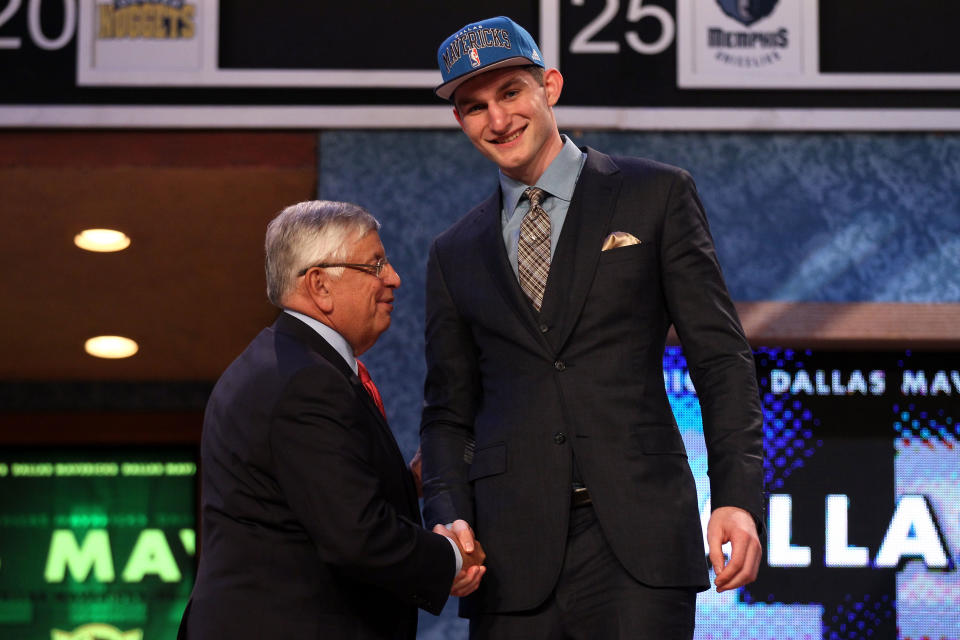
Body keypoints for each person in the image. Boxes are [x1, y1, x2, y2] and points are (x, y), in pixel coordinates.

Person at [418, 16, 765, 639]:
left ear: (549, 85)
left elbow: (720, 359)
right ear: (459, 121)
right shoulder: (454, 251)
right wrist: (447, 520)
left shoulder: (655, 194)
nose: (497, 121)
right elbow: (447, 411)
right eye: (474, 107)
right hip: (509, 555)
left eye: (511, 94)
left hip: (640, 543)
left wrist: (736, 496)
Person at [179, 200, 485, 640]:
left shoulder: (286, 364)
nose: (394, 278)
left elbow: (318, 497)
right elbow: (356, 536)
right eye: (375, 265)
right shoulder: (305, 381)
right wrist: (451, 558)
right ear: (320, 285)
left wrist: (407, 483)